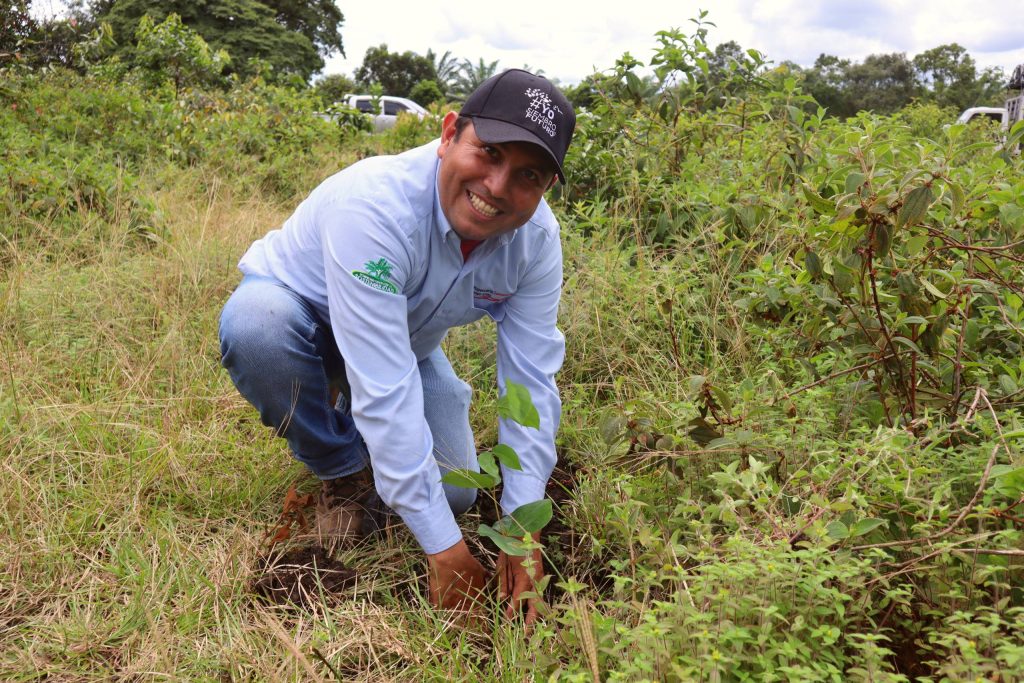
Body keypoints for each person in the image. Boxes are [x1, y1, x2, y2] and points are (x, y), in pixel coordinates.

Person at [218, 69, 575, 626]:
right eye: (488, 152)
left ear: (547, 187)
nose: (498, 187)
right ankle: (340, 468)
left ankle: (359, 432)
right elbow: (385, 391)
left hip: (402, 341)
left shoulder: (536, 244)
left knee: (453, 492)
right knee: (257, 328)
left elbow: (530, 383)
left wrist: (521, 526)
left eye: (526, 174)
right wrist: (445, 552)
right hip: (304, 317)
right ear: (450, 133)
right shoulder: (376, 207)